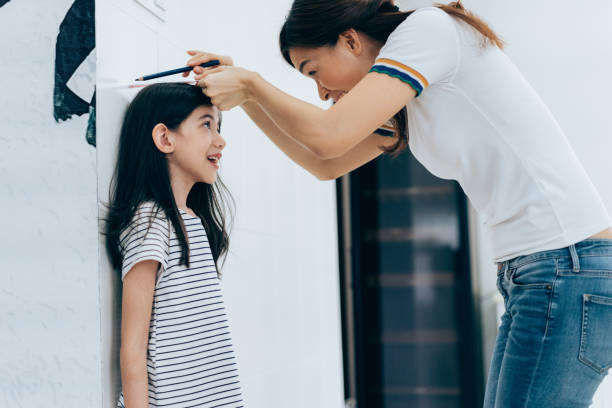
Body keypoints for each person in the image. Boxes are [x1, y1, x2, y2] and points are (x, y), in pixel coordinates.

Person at [183, 1, 612, 407]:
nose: (321, 92)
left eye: (314, 71)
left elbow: (327, 135)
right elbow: (323, 162)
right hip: (544, 272)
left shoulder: (428, 31)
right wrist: (248, 98)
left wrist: (254, 84)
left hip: (566, 265)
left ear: (350, 40)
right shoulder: (411, 95)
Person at [104, 83, 244, 408]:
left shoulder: (192, 220)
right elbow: (133, 349)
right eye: (207, 124)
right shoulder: (150, 221)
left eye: (218, 126)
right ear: (165, 138)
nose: (220, 140)